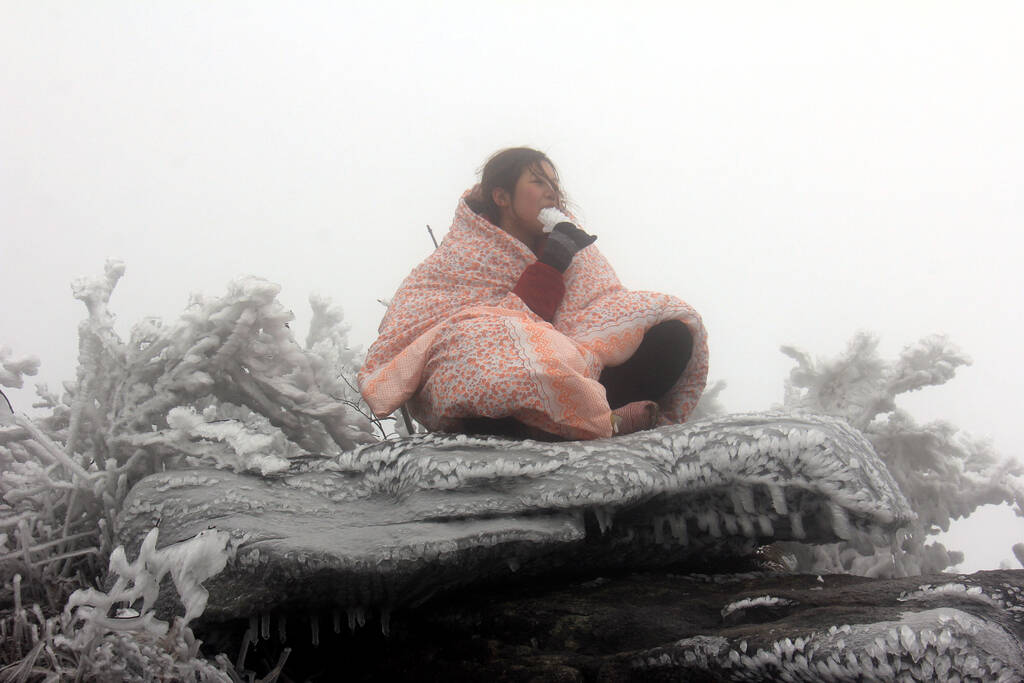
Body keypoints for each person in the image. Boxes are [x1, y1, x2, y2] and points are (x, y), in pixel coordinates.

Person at [358, 147, 708, 440]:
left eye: (554, 185)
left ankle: (587, 416)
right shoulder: (460, 257)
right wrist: (549, 267)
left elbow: (599, 306)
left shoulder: (571, 245)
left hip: (574, 372)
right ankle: (604, 424)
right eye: (538, 182)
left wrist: (561, 259)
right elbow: (466, 329)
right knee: (488, 339)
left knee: (671, 331)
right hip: (494, 388)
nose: (551, 192)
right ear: (502, 196)